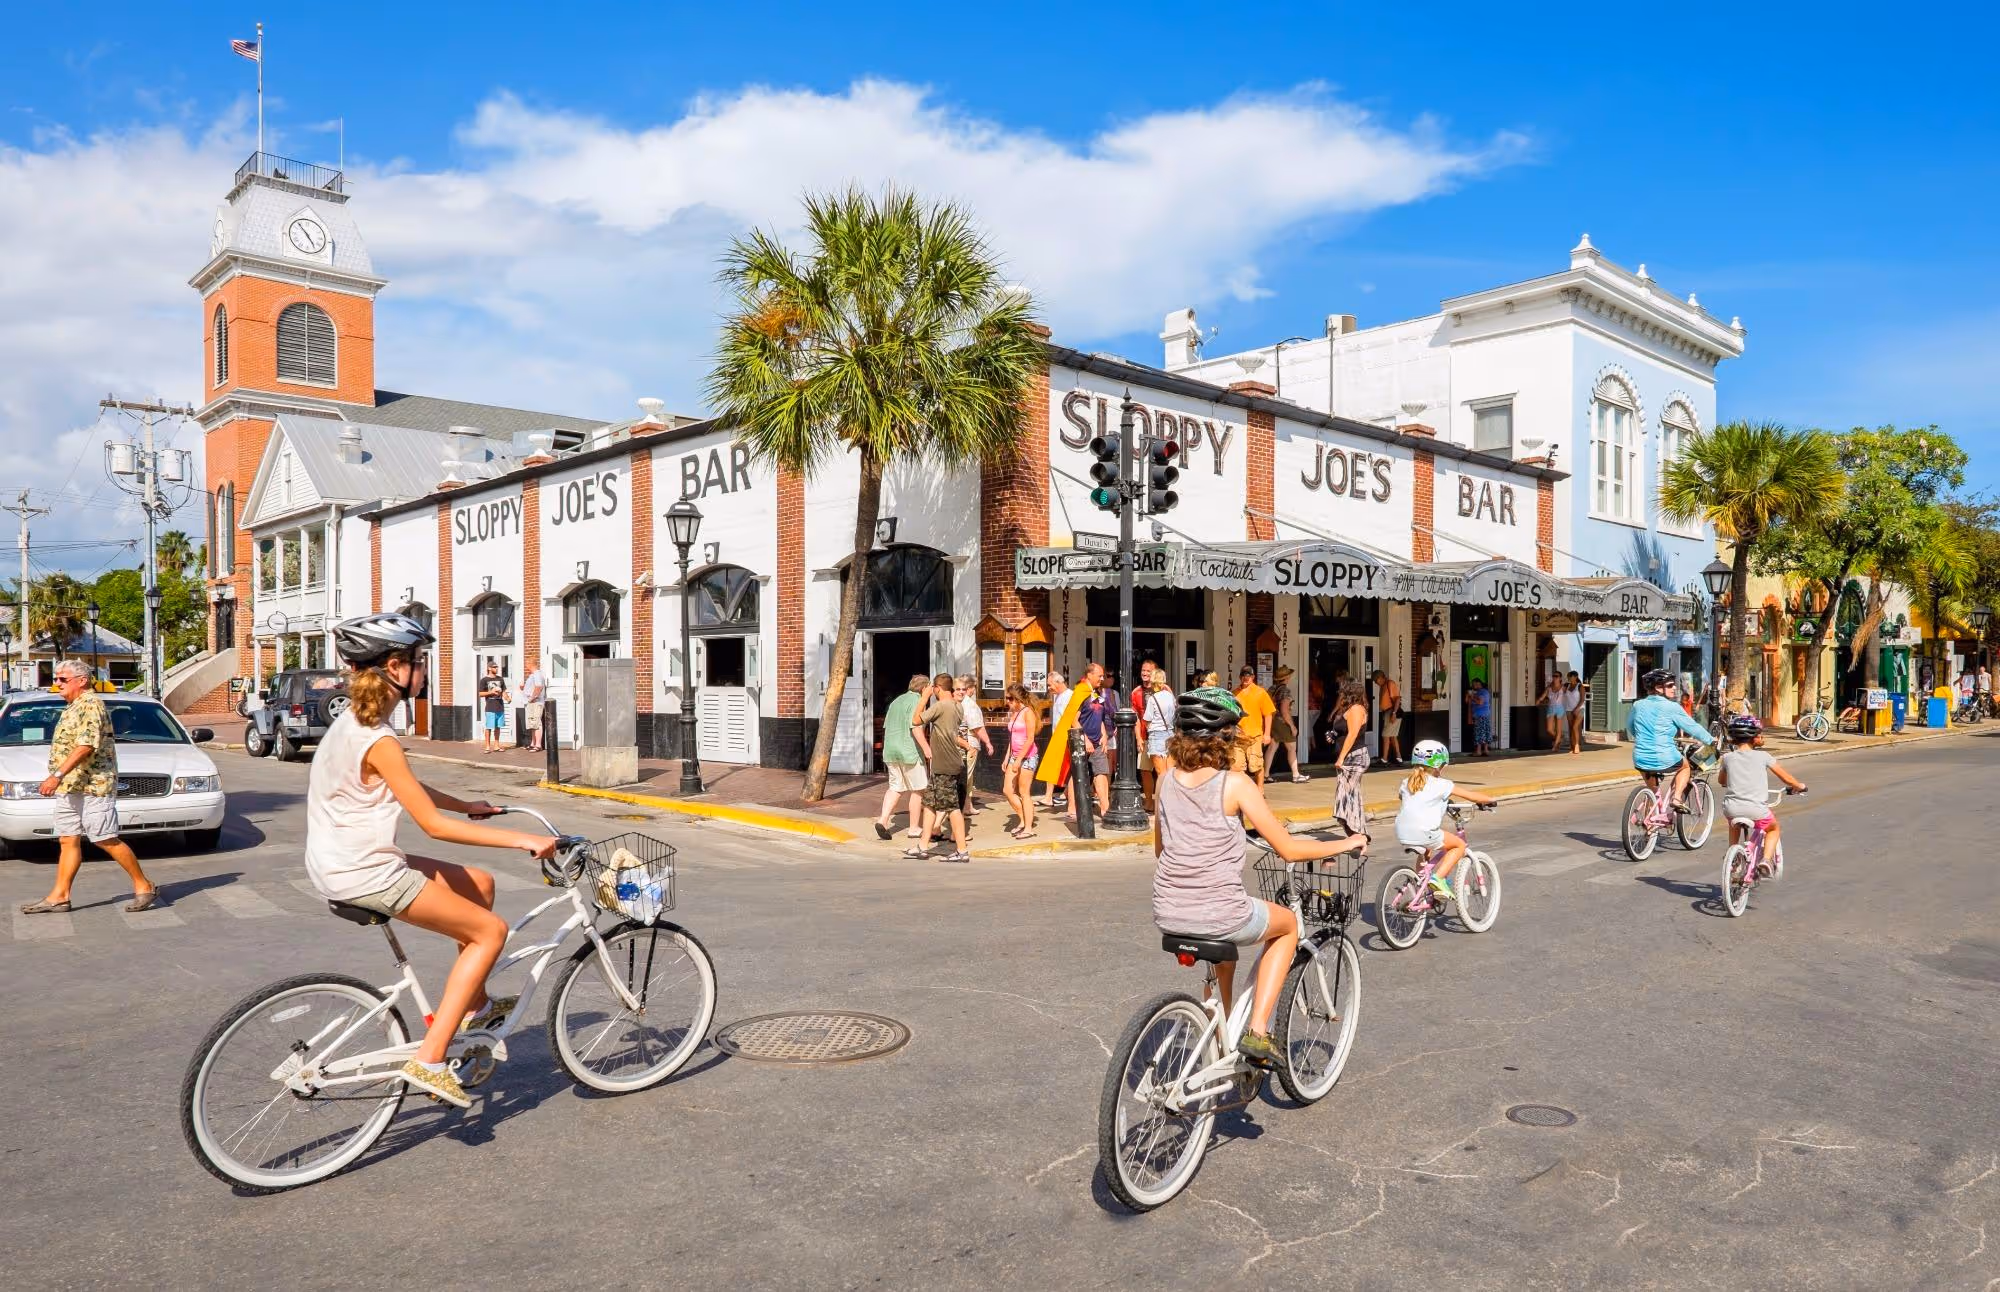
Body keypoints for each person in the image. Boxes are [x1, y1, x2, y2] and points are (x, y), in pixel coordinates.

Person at [303, 613, 556, 1108]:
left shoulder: (356, 723)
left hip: (344, 859)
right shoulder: (378, 738)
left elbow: (407, 788)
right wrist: (522, 840)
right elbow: (433, 827)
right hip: (364, 871)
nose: (425, 672)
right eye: (420, 663)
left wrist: (469, 806)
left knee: (479, 886)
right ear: (395, 666)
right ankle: (431, 1058)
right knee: (491, 931)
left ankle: (475, 1006)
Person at [1151, 686, 1368, 1067]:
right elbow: (1289, 849)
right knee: (1286, 928)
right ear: (1226, 738)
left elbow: (1161, 850)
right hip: (1220, 912)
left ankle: (1222, 1031)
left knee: (1225, 950)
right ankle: (1259, 1032)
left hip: (1168, 912)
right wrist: (1345, 843)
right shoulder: (1234, 784)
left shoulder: (1165, 781)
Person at [19, 660, 159, 916]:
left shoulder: (91, 705)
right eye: (56, 678)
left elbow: (86, 746)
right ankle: (59, 896)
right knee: (67, 839)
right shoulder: (73, 707)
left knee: (105, 838)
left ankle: (144, 885)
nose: (57, 683)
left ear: (81, 680)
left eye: (62, 679)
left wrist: (56, 776)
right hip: (71, 787)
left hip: (93, 786)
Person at [1394, 740, 1497, 906]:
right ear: (1438, 766)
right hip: (1425, 831)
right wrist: (1490, 800)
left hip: (1402, 831)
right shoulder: (1442, 784)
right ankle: (1438, 879)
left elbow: (1411, 801)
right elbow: (1471, 796)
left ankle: (1421, 883)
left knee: (1426, 850)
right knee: (1458, 846)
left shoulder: (1406, 783)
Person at [1717, 714, 1805, 874]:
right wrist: (1799, 786)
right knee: (1773, 828)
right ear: (1752, 737)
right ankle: (1765, 860)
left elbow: (1721, 780)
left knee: (1733, 824)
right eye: (1759, 734)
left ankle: (1733, 855)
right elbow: (1787, 778)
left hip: (1731, 808)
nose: (1762, 736)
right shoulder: (1764, 756)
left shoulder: (1727, 758)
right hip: (1756, 810)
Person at [1628, 667, 1717, 820]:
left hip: (1640, 757)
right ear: (1658, 688)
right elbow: (1693, 727)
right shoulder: (1672, 707)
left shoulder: (1638, 705)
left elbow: (1630, 727)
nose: (1674, 687)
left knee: (1653, 791)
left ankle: (1649, 825)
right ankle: (1676, 799)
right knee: (1685, 767)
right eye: (1670, 685)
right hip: (1664, 756)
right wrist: (1711, 740)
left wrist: (1644, 736)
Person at [909, 674, 973, 863]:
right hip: (944, 764)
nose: (932, 691)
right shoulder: (957, 706)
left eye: (933, 689)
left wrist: (924, 697)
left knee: (951, 807)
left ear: (937, 688)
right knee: (930, 804)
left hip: (945, 764)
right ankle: (922, 846)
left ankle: (962, 851)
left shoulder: (940, 706)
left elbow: (916, 720)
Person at [873, 674, 930, 841]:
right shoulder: (918, 702)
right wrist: (927, 749)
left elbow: (887, 726)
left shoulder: (896, 701)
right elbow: (916, 728)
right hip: (910, 751)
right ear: (924, 688)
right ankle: (913, 828)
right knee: (918, 789)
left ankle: (882, 820)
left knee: (895, 787)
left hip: (891, 750)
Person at [1326, 677, 1371, 837]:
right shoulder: (1350, 708)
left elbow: (1352, 734)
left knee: (1347, 794)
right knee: (1348, 794)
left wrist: (1341, 758)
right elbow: (1344, 730)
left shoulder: (1356, 709)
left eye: (1343, 693)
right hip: (1350, 756)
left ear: (1350, 693)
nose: (1341, 696)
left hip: (1354, 757)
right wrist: (1334, 733)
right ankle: (1356, 832)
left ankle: (1357, 833)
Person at [999, 683, 1041, 839]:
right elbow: (1012, 738)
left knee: (1024, 792)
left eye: (1010, 699)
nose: (1007, 702)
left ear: (1017, 698)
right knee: (1007, 790)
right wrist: (1007, 757)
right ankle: (1023, 819)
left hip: (1028, 757)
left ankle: (1028, 828)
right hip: (1014, 756)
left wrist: (1019, 760)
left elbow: (1030, 739)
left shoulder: (1027, 712)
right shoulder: (1014, 713)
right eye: (1007, 698)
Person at [1072, 662, 1113, 819]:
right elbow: (1074, 720)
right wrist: (1085, 740)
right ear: (1089, 675)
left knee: (1101, 772)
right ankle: (1072, 809)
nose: (1102, 679)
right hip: (1081, 742)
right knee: (1076, 775)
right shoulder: (1080, 693)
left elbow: (1100, 717)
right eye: (1099, 675)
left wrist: (1103, 734)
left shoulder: (1096, 694)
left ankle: (1105, 808)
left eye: (1103, 676)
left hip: (1097, 742)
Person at [956, 674, 993, 818]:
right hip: (969, 743)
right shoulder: (969, 704)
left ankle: (967, 805)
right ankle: (960, 808)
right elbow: (977, 727)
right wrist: (988, 742)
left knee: (967, 777)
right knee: (966, 776)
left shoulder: (957, 702)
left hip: (959, 742)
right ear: (971, 688)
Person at [1232, 665, 1276, 786]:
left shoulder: (1260, 693)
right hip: (1238, 737)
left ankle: (1260, 789)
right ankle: (1243, 792)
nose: (1246, 678)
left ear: (1253, 677)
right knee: (1237, 767)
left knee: (1256, 765)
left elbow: (1268, 714)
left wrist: (1267, 734)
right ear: (1240, 677)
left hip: (1255, 736)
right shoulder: (1234, 694)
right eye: (1243, 675)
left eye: (1248, 675)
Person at [1035, 670, 1072, 812]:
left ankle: (1055, 795)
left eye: (1050, 685)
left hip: (1064, 737)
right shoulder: (1057, 697)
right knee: (1054, 766)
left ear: (1058, 682)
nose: (1048, 688)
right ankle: (1050, 796)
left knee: (1066, 768)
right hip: (1056, 736)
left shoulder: (1069, 696)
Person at [1267, 665, 1308, 783]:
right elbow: (1285, 711)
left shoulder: (1271, 689)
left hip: (1273, 720)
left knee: (1272, 747)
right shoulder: (1285, 690)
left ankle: (1265, 775)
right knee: (1291, 748)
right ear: (1287, 677)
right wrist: (1292, 726)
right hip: (1282, 722)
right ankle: (1296, 775)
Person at [1143, 671, 1177, 809]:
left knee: (1161, 775)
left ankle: (1161, 807)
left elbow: (1147, 719)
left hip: (1157, 735)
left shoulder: (1153, 699)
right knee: (1170, 774)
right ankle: (1172, 805)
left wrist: (1149, 727)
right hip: (1170, 733)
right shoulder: (1170, 696)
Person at [1373, 670, 1403, 766]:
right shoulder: (1383, 686)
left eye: (1376, 680)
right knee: (1393, 736)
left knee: (1385, 735)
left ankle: (1384, 760)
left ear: (1381, 677)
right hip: (1387, 712)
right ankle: (1399, 759)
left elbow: (1397, 698)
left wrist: (1394, 713)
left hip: (1391, 712)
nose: (1376, 683)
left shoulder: (1390, 683)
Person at [477, 660, 508, 754]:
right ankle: (487, 747)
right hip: (490, 707)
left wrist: (507, 698)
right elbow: (480, 694)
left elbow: (503, 691)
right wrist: (491, 692)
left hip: (500, 706)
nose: (496, 668)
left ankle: (496, 746)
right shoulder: (484, 680)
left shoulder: (500, 679)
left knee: (498, 727)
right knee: (489, 727)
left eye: (497, 667)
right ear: (489, 668)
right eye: (494, 667)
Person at [518, 659, 548, 753]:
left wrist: (532, 698)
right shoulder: (533, 675)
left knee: (536, 723)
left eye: (527, 664)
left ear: (531, 664)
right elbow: (533, 687)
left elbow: (539, 687)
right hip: (531, 703)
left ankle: (538, 745)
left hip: (535, 702)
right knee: (532, 723)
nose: (526, 666)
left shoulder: (537, 674)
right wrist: (524, 688)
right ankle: (533, 743)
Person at [1466, 678, 1493, 757]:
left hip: (1481, 715)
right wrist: (1469, 696)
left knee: (1479, 733)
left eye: (1474, 684)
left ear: (1478, 684)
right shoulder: (1478, 692)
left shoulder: (1483, 692)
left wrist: (1472, 696)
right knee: (1484, 732)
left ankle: (1478, 751)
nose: (1473, 686)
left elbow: (1480, 702)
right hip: (1483, 715)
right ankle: (1485, 750)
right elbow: (1467, 701)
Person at [1563, 670, 1586, 755]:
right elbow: (1561, 692)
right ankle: (1572, 746)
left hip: (1579, 709)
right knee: (1570, 727)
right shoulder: (1567, 685)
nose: (1569, 678)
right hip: (1569, 709)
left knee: (1575, 727)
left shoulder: (1580, 686)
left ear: (1575, 677)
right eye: (1568, 676)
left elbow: (1582, 699)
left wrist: (1576, 708)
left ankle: (1577, 745)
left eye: (1570, 676)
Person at [1541, 674, 1565, 749]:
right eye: (1553, 676)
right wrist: (1539, 700)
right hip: (1551, 708)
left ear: (1560, 678)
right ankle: (1559, 739)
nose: (1554, 677)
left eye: (1556, 676)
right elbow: (1543, 696)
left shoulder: (1564, 687)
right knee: (1549, 729)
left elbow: (1570, 695)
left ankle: (1555, 745)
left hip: (1560, 708)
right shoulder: (1549, 687)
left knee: (1558, 729)